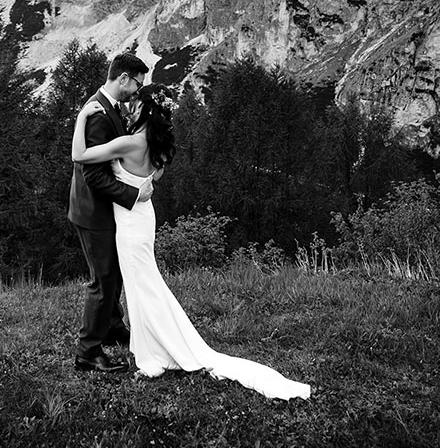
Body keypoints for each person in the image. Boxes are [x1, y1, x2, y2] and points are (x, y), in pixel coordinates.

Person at [71, 83, 311, 400]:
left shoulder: (129, 143)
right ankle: (148, 340)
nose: (131, 108)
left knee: (141, 284)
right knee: (143, 281)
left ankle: (155, 347)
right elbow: (152, 180)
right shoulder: (157, 146)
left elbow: (79, 155)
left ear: (143, 110)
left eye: (136, 105)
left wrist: (81, 117)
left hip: (129, 224)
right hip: (143, 216)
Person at [68, 52, 154, 373]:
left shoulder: (109, 107)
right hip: (93, 213)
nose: (136, 91)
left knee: (114, 272)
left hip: (103, 210)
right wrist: (135, 195)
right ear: (122, 79)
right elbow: (93, 174)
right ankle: (88, 352)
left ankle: (113, 327)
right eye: (136, 83)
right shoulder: (98, 115)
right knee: (103, 282)